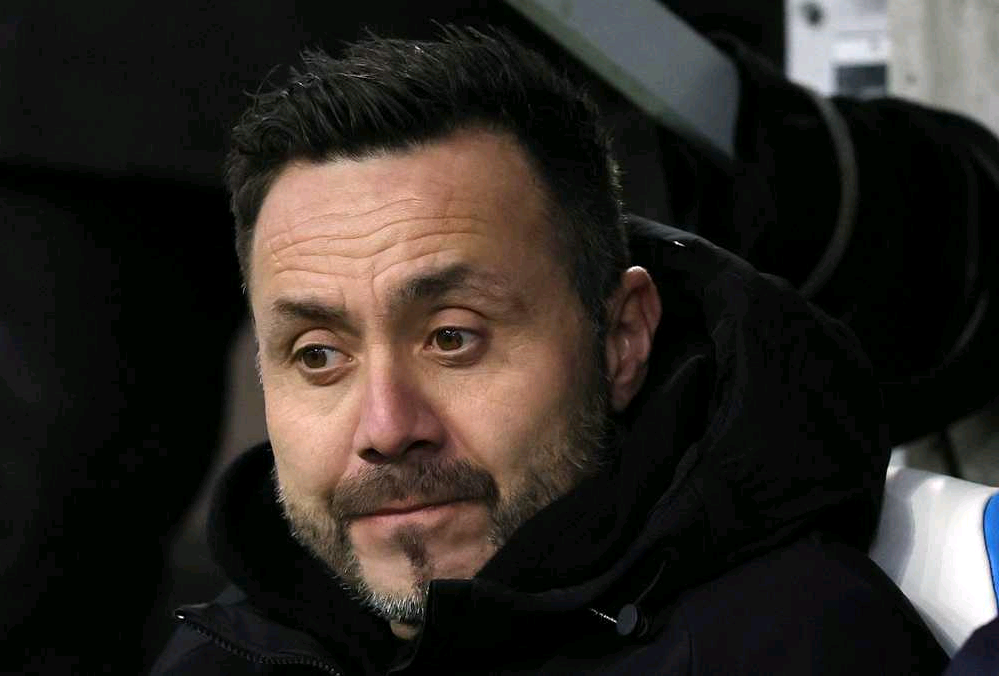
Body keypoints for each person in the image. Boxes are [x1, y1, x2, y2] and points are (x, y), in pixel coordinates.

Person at [151, 28, 948, 675]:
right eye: (319, 356)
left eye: (453, 338)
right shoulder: (225, 653)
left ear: (622, 340)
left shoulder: (794, 646)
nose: (387, 429)